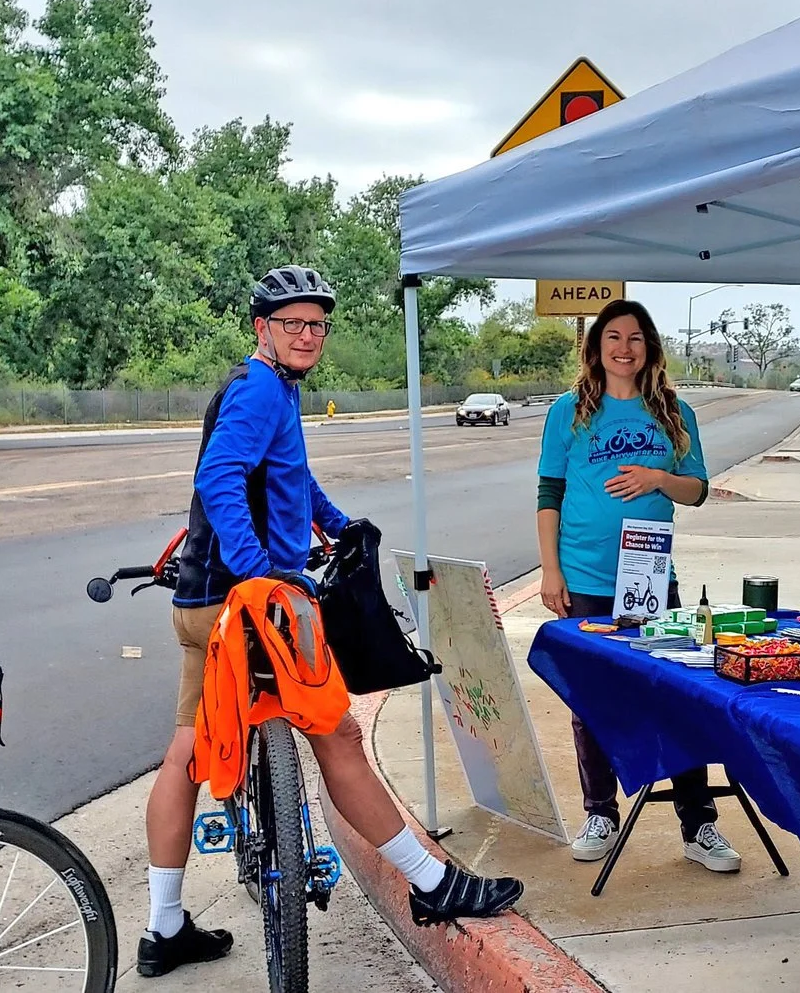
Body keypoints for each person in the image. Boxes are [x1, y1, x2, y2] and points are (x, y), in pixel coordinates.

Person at [138, 266, 524, 976]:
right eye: (293, 323)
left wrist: (337, 523)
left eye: (317, 324)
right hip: (249, 608)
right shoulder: (260, 388)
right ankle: (432, 883)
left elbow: (291, 476)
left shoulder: (269, 388)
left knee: (186, 752)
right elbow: (218, 477)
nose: (308, 335)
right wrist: (260, 571)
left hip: (199, 606)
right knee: (338, 734)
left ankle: (163, 926)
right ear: (262, 328)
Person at [536, 300, 742, 873]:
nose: (624, 348)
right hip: (584, 577)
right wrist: (551, 570)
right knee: (591, 700)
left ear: (649, 347)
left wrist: (658, 478)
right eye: (613, 337)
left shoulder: (673, 412)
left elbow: (697, 490)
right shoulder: (568, 411)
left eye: (635, 338)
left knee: (673, 693)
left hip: (650, 577)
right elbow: (549, 493)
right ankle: (600, 813)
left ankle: (698, 824)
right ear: (596, 347)